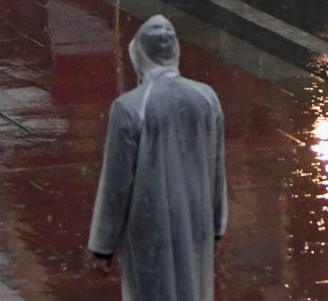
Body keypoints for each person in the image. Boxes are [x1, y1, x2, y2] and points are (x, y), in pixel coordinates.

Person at [87, 15, 226, 300]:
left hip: (149, 222)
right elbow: (216, 168)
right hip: (195, 218)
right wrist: (217, 226)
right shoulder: (206, 99)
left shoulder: (129, 108)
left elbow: (116, 182)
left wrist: (103, 244)